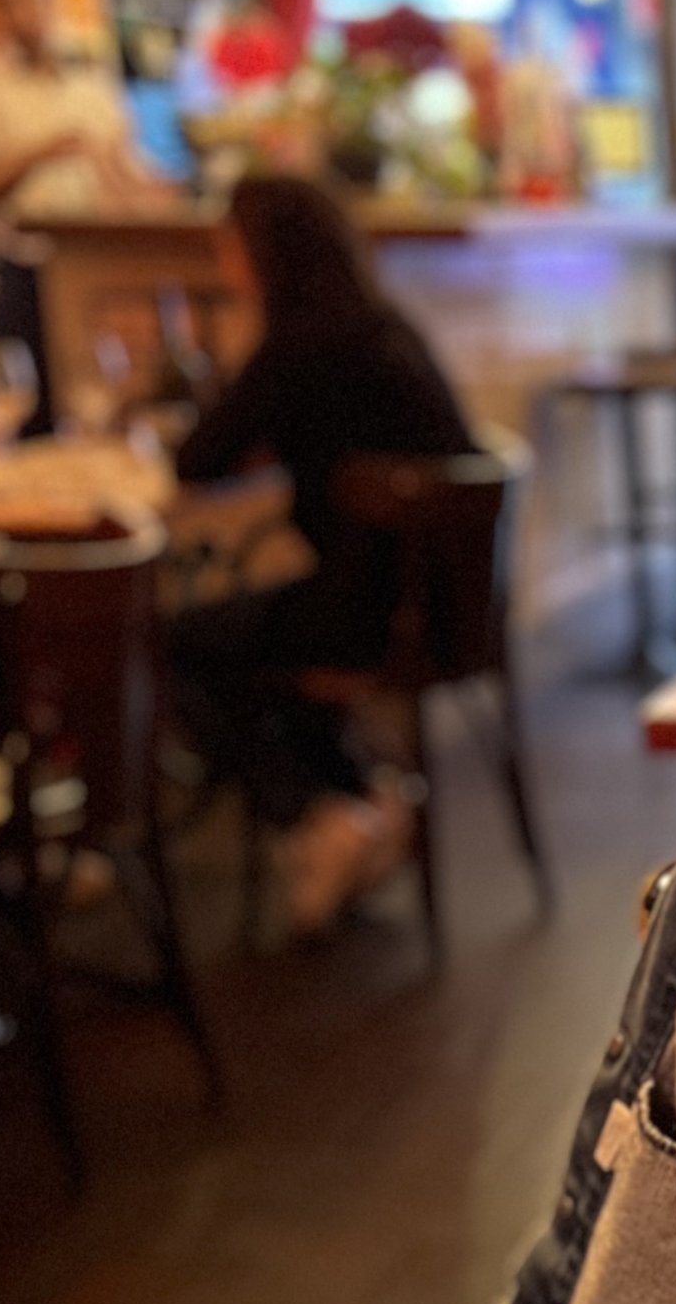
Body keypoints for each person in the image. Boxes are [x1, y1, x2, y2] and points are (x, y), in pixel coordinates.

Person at [169, 174, 478, 933]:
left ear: (263, 255)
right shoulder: (380, 325)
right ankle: (359, 800)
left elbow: (198, 459)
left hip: (374, 609)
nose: (222, 259)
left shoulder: (298, 343)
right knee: (254, 632)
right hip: (451, 599)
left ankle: (316, 813)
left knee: (179, 642)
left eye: (230, 244)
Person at [0, 0, 164, 429]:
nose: (24, 10)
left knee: (119, 406)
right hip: (27, 269)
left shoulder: (89, 80)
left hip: (105, 267)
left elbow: (129, 170)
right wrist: (36, 154)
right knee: (40, 419)